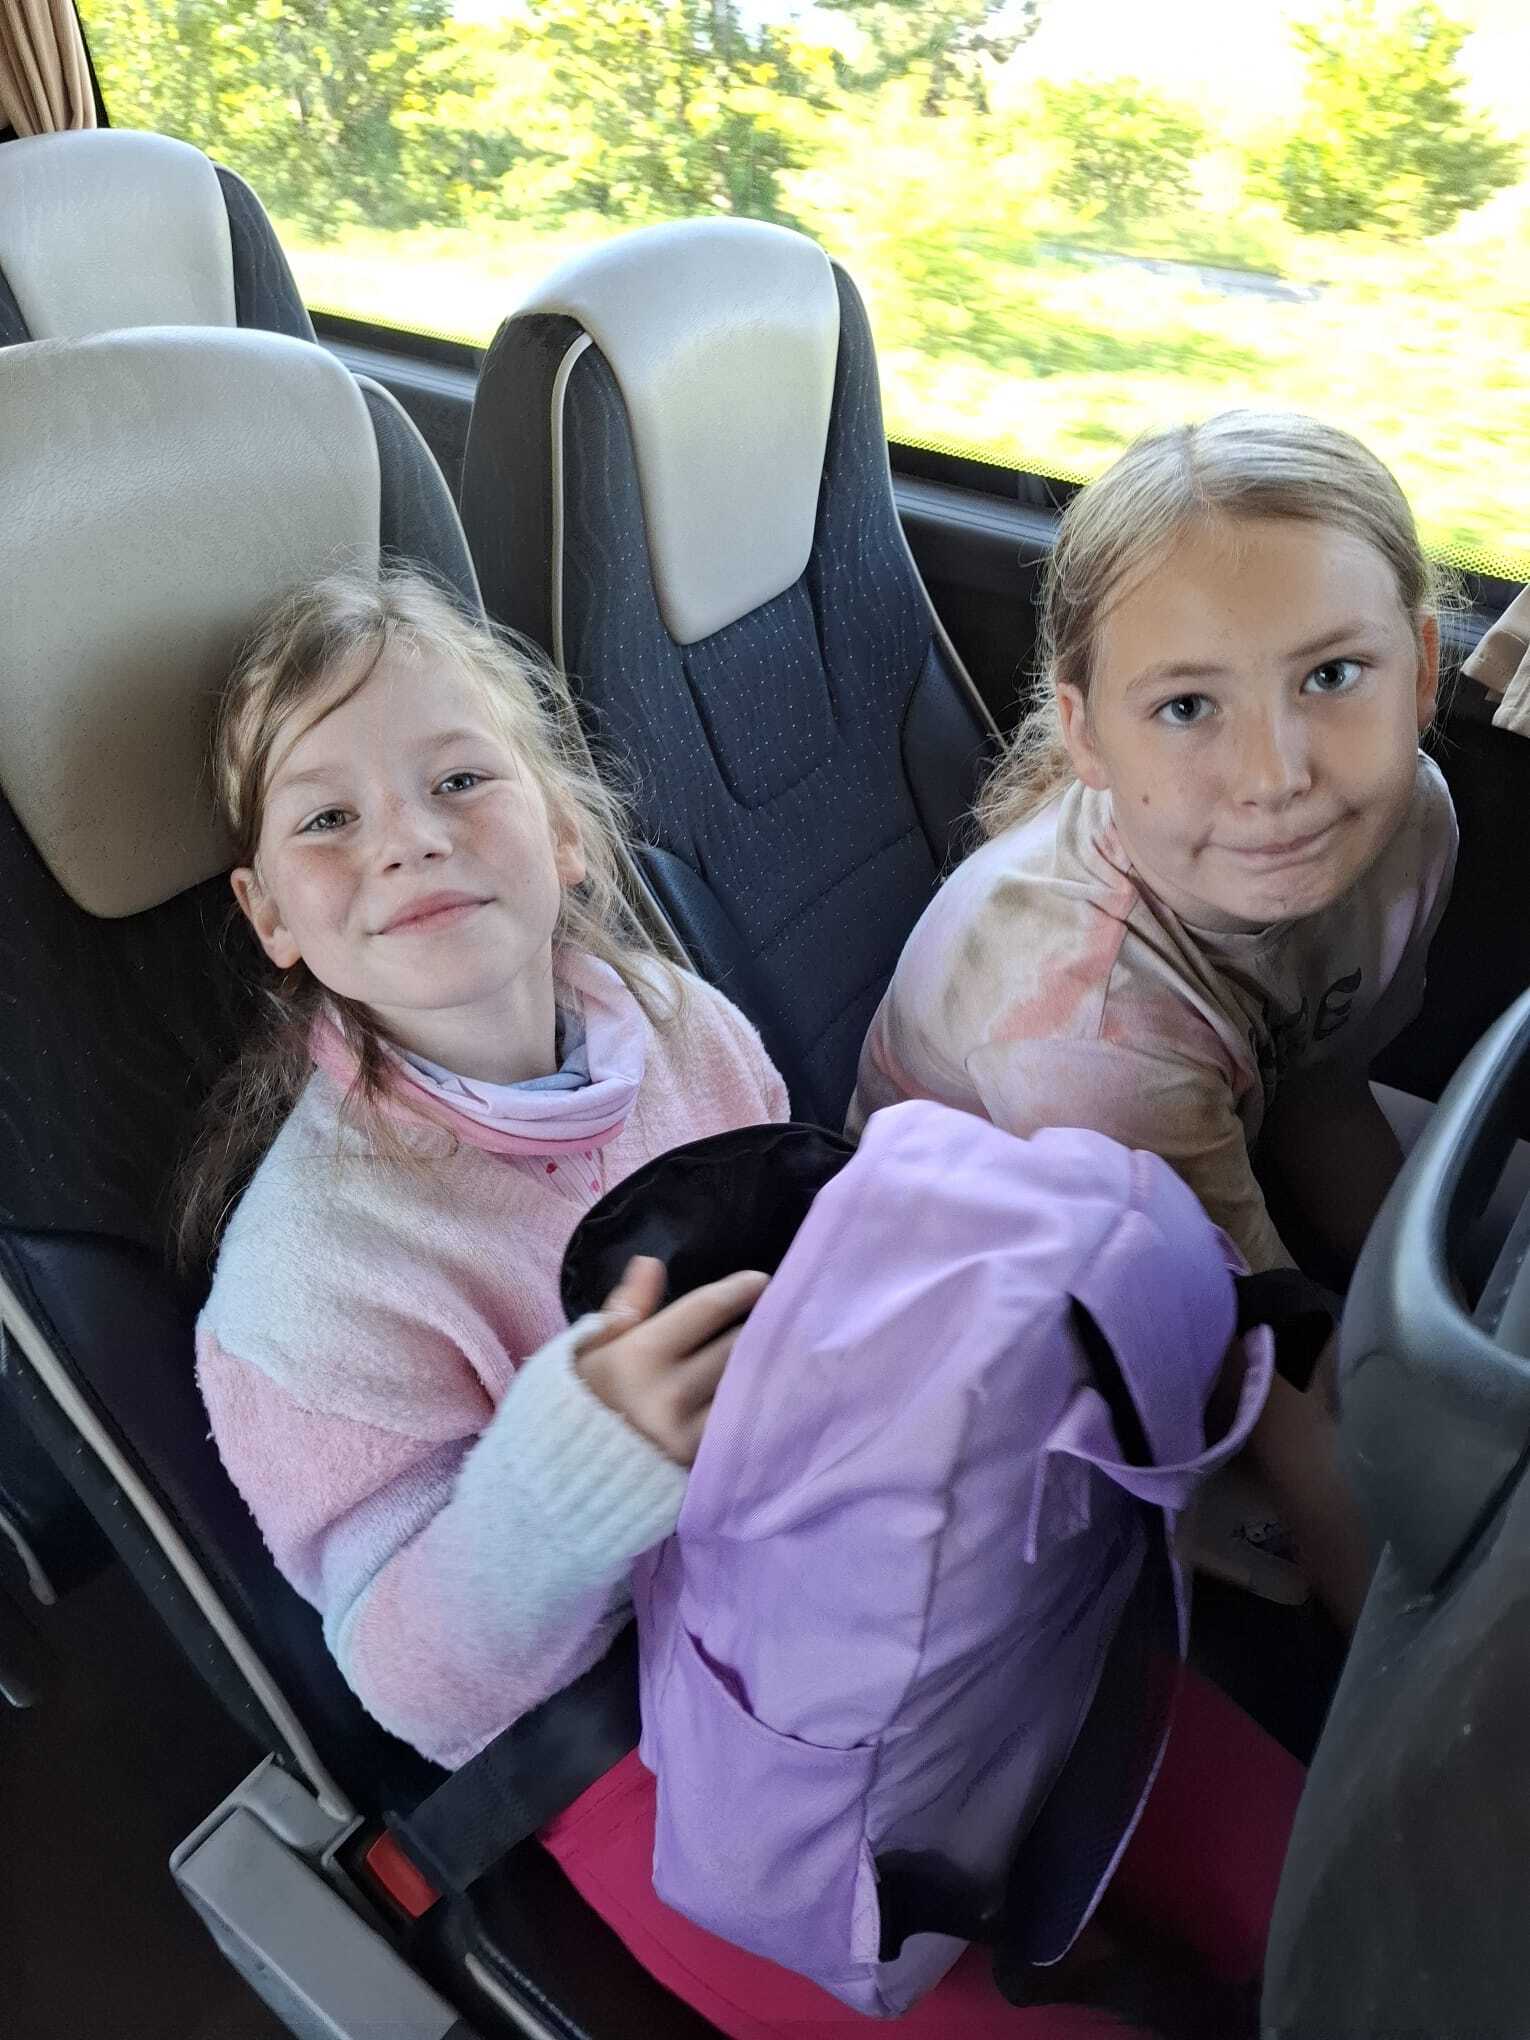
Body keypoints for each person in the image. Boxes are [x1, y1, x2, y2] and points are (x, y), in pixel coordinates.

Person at [186, 565, 1301, 2040]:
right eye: (327, 820)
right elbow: (416, 1688)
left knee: (1335, 1872)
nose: (408, 838)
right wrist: (568, 1481)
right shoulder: (306, 1282)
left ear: (563, 828)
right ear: (269, 914)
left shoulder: (680, 1030)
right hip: (656, 1766)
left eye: (459, 778)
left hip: (895, 1586)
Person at [852, 411, 1457, 1627]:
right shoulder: (1084, 1028)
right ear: (1085, 733)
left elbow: (1319, 1080)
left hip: (1206, 1193)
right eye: (1187, 706)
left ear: (1426, 668)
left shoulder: (1405, 829)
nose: (1277, 776)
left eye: (1332, 676)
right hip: (1000, 1342)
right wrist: (1412, 1665)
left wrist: (1431, 1316)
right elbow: (1275, 1382)